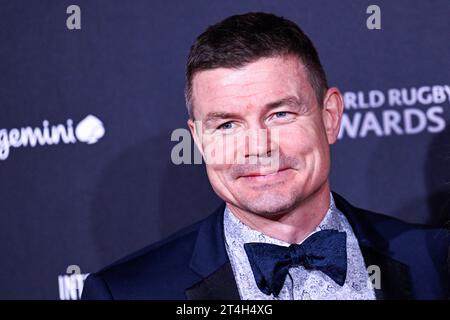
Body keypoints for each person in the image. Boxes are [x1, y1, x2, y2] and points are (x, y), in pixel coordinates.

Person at [81, 12, 449, 300]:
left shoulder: (435, 262)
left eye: (280, 114)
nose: (258, 147)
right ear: (199, 140)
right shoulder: (128, 292)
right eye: (227, 125)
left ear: (330, 117)